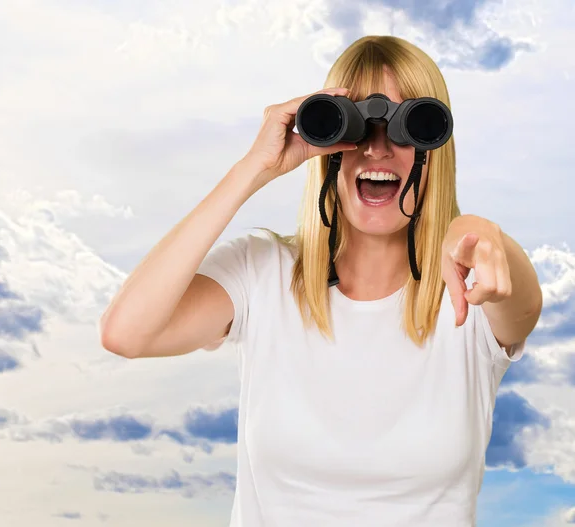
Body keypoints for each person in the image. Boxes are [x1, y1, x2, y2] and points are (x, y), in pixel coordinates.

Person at [100, 35, 543, 526]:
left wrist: (482, 233)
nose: (377, 149)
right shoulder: (261, 273)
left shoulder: (470, 291)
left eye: (406, 126)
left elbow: (521, 303)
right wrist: (255, 167)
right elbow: (127, 333)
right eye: (352, 125)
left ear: (433, 146)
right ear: (328, 145)